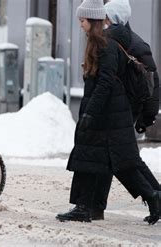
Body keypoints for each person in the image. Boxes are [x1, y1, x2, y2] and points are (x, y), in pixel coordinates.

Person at [56, 0, 160, 225]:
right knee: (98, 160)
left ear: (94, 20)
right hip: (109, 112)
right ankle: (88, 207)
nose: (80, 24)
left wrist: (90, 114)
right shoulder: (99, 42)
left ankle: (152, 196)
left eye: (83, 20)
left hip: (110, 113)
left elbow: (106, 83)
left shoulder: (107, 45)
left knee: (119, 162)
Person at [88, 0, 160, 221]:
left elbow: (151, 84)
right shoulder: (130, 41)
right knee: (115, 158)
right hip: (123, 109)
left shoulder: (123, 42)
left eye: (105, 17)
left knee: (125, 159)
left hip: (123, 110)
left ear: (112, 18)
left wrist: (146, 117)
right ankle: (96, 207)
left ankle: (155, 196)